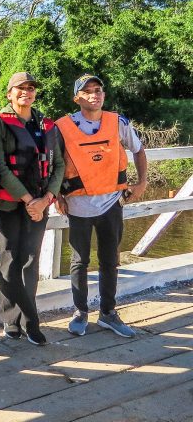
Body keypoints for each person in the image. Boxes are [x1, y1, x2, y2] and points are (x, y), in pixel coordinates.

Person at [56, 74, 147, 338]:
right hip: (78, 206)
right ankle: (80, 312)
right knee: (79, 261)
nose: (94, 94)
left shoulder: (117, 122)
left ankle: (108, 313)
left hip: (111, 204)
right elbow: (53, 164)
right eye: (87, 91)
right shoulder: (62, 127)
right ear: (77, 98)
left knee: (110, 261)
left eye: (98, 90)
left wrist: (141, 183)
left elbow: (139, 150)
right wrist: (57, 195)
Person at [0, 72, 65, 346]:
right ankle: (11, 320)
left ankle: (29, 321)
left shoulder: (47, 125)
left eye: (31, 88)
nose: (26, 92)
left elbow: (59, 165)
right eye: (20, 88)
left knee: (31, 260)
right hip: (9, 203)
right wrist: (28, 199)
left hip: (41, 203)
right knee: (9, 259)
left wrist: (47, 198)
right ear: (9, 94)